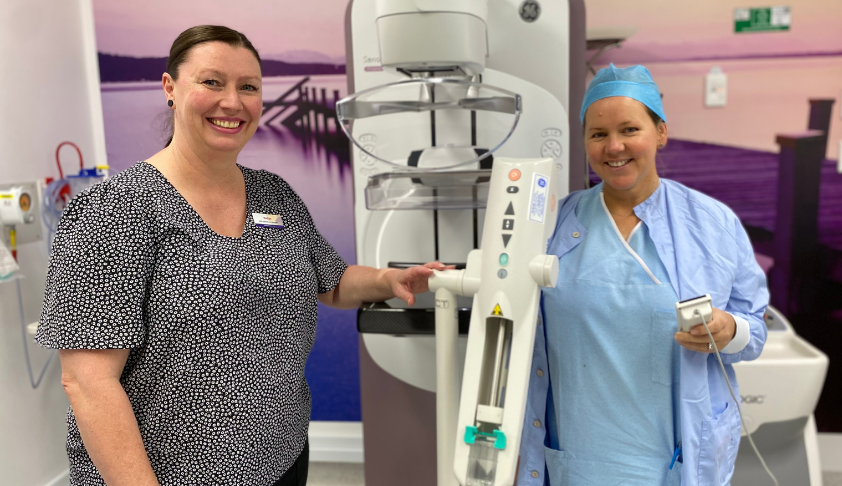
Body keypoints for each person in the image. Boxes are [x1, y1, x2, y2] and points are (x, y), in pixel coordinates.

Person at [36, 25, 442, 486]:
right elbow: (88, 383)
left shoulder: (274, 194)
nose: (233, 102)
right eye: (212, 82)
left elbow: (329, 280)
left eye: (248, 87)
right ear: (170, 87)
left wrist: (388, 281)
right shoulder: (115, 210)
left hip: (282, 455)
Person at [516, 64, 768, 486]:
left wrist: (730, 330)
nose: (614, 147)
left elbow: (755, 331)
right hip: (578, 455)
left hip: (670, 456)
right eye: (598, 134)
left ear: (661, 132)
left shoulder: (713, 225)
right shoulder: (554, 225)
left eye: (630, 129)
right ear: (585, 141)